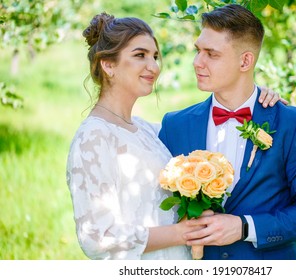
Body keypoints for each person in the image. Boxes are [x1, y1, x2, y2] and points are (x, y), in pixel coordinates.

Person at [66, 12, 283, 260]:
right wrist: (182, 234)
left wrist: (260, 100)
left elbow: (212, 127)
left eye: (155, 56)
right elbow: (97, 237)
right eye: (140, 55)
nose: (154, 67)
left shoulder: (148, 130)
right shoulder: (93, 137)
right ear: (108, 64)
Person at [158, 4, 296, 260]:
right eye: (198, 51)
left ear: (245, 60)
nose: (198, 62)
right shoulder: (175, 124)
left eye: (211, 54)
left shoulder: (291, 123)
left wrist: (246, 227)